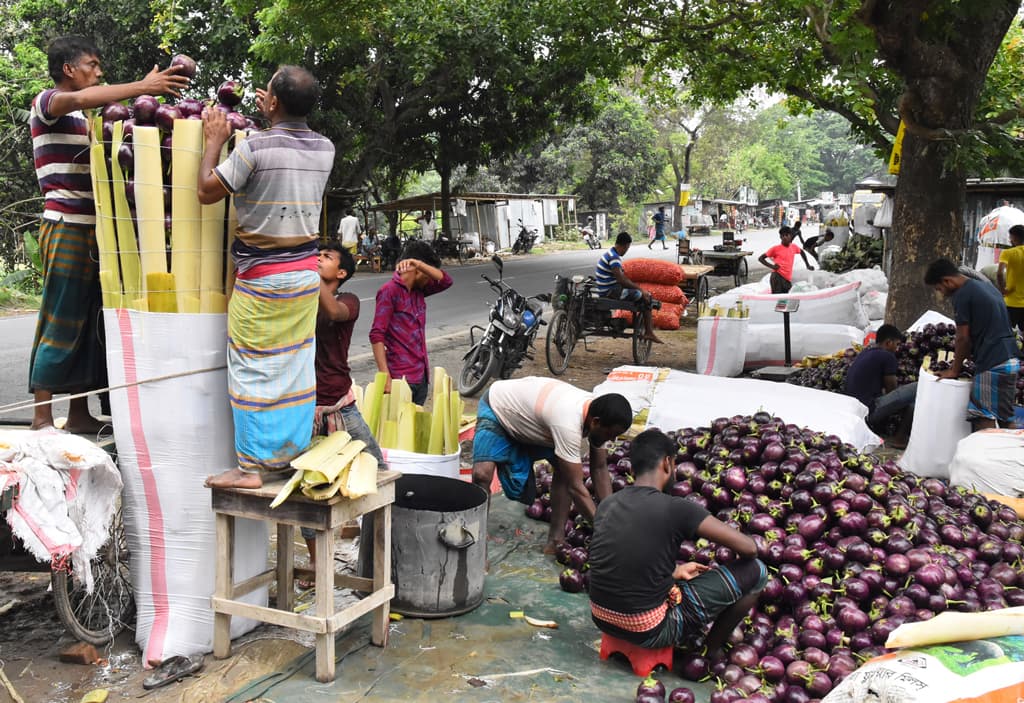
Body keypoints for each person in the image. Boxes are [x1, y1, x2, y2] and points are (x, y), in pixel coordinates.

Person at [27, 36, 189, 432]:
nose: (98, 72)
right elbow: (84, 99)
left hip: (101, 230)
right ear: (69, 69)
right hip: (67, 226)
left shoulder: (87, 120)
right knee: (61, 318)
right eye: (92, 64)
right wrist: (142, 88)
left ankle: (79, 413)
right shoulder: (48, 103)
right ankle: (42, 418)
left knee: (94, 323)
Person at [199, 65, 335, 489]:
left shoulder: (254, 148)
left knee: (251, 369)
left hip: (261, 282)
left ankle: (251, 470)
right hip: (303, 277)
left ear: (273, 101)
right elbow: (286, 149)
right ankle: (290, 456)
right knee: (295, 367)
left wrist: (214, 142)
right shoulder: (325, 148)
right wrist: (274, 116)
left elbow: (206, 190)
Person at [588, 429, 767, 655]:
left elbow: (624, 556)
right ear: (667, 463)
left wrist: (673, 571)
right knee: (757, 571)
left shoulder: (608, 504)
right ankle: (711, 652)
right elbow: (750, 549)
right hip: (648, 630)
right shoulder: (677, 509)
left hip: (600, 617)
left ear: (632, 469)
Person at [299, 242, 385, 581]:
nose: (318, 258)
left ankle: (377, 549)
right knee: (305, 488)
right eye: (316, 254)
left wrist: (307, 272)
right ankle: (318, 564)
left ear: (342, 273)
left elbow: (333, 313)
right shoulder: (300, 301)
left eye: (327, 258)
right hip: (304, 410)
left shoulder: (347, 302)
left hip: (341, 407)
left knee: (379, 471)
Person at [471, 378, 632, 553]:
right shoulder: (568, 422)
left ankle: (556, 540)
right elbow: (576, 488)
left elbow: (599, 469)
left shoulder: (599, 415)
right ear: (595, 422)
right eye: (612, 434)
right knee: (482, 474)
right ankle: (477, 547)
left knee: (565, 469)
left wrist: (610, 515)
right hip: (499, 410)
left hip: (534, 425)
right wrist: (605, 532)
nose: (613, 440)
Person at [924, 258, 1020, 430]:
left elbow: (963, 338)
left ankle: (985, 456)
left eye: (939, 288)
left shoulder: (962, 295)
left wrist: (954, 369)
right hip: (1010, 360)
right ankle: (1014, 455)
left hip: (992, 362)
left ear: (947, 281)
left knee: (983, 415)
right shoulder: (986, 286)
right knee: (1006, 417)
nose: (940, 293)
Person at [369, 240, 452, 406]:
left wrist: (418, 263)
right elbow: (377, 335)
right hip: (400, 378)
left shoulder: (419, 290)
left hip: (421, 376)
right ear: (418, 272)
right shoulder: (389, 291)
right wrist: (385, 377)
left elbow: (446, 281)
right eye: (427, 275)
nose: (430, 280)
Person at [843, 324, 917, 448]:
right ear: (888, 343)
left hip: (854, 409)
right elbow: (891, 390)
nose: (898, 348)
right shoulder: (888, 356)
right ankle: (900, 438)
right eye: (897, 344)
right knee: (919, 388)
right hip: (869, 411)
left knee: (912, 402)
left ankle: (900, 436)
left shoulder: (867, 352)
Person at [595, 232, 662, 344]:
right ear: (625, 245)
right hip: (611, 292)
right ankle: (649, 332)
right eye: (628, 247)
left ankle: (649, 331)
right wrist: (641, 290)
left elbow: (621, 279)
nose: (627, 251)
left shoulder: (609, 253)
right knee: (643, 296)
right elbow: (622, 280)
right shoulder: (614, 258)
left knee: (640, 293)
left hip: (607, 289)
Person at [759, 226, 814, 294]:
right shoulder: (776, 248)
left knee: (787, 298)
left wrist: (807, 265)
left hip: (787, 278)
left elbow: (802, 252)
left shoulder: (794, 247)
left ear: (790, 236)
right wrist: (772, 266)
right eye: (783, 236)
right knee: (778, 300)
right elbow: (761, 258)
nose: (785, 237)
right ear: (780, 237)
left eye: (786, 235)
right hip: (777, 277)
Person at [998, 224, 1024, 334]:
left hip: (1011, 303)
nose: (1009, 239)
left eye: (1010, 237)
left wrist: (1003, 289)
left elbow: (1000, 273)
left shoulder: (1008, 253)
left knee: (1006, 334)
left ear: (1014, 237)